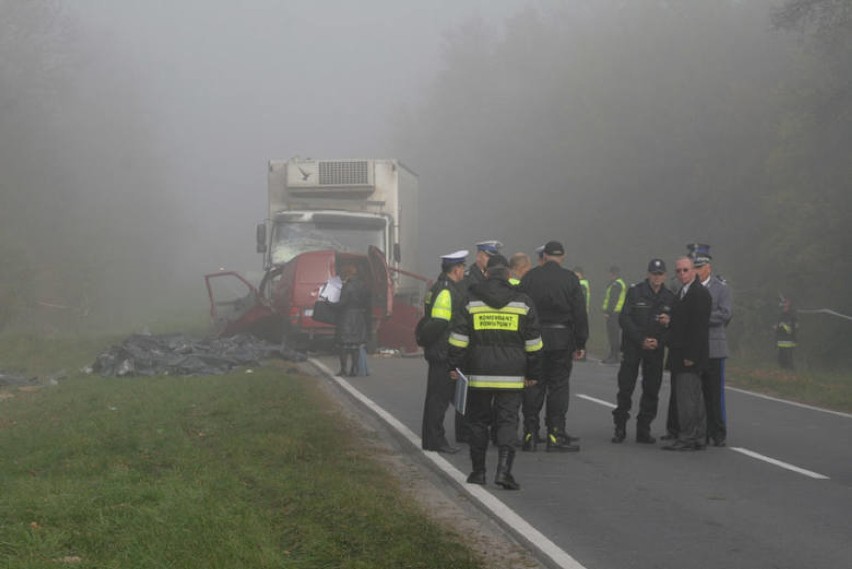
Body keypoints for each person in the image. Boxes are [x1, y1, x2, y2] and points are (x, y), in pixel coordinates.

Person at [448, 254, 543, 489]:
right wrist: (533, 374)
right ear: (508, 274)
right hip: (512, 376)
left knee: (478, 423)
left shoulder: (470, 300)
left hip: (478, 374)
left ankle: (478, 472)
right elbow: (534, 344)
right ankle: (503, 472)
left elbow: (458, 339)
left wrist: (455, 367)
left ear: (487, 273)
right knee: (508, 422)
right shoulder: (523, 302)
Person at [519, 240, 588, 452]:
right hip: (561, 337)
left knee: (534, 384)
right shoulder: (570, 279)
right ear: (562, 256)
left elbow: (520, 308)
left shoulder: (530, 277)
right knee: (558, 387)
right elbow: (579, 312)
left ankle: (530, 433)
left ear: (544, 256)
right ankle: (555, 434)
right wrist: (581, 342)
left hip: (535, 337)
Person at [611, 259, 676, 444]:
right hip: (634, 346)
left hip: (655, 349)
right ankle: (620, 427)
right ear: (648, 274)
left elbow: (672, 326)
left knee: (652, 389)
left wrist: (659, 341)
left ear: (664, 275)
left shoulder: (669, 297)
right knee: (625, 388)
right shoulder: (635, 291)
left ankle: (644, 429)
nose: (657, 277)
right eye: (654, 274)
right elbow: (624, 319)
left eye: (660, 274)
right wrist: (641, 340)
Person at [419, 250, 469, 454]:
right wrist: (429, 341)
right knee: (439, 399)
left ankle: (431, 439)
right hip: (443, 351)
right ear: (456, 269)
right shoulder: (447, 291)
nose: (464, 272)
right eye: (463, 268)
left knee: (435, 397)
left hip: (437, 349)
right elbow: (439, 322)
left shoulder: (437, 287)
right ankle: (435, 440)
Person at [662, 256, 712, 452]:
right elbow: (682, 321)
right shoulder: (682, 292)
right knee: (694, 397)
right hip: (680, 351)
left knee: (687, 398)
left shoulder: (699, 294)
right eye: (678, 271)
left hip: (690, 354)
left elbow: (698, 328)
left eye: (685, 270)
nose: (682, 274)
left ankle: (687, 437)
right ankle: (698, 436)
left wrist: (691, 355)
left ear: (694, 271)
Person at [689, 243, 732, 447]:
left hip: (714, 347)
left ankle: (718, 431)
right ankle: (700, 430)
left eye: (699, 267)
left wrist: (701, 317)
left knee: (715, 393)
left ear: (708, 267)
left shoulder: (720, 288)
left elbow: (725, 314)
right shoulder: (690, 288)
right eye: (694, 266)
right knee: (696, 391)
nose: (696, 270)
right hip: (696, 347)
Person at [335, 264, 370, 376]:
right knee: (355, 345)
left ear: (347, 274)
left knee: (343, 345)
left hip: (347, 317)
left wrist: (330, 304)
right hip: (359, 317)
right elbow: (367, 301)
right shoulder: (363, 286)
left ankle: (343, 369)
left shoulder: (347, 286)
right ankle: (354, 369)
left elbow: (342, 303)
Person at [601, 266, 627, 364]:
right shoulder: (616, 284)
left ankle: (614, 356)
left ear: (613, 274)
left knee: (613, 335)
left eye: (610, 274)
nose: (609, 276)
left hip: (614, 314)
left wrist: (608, 312)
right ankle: (613, 354)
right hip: (615, 313)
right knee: (613, 335)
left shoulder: (616, 284)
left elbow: (613, 299)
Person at [573, 266, 591, 362]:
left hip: (581, 313)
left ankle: (582, 354)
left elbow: (581, 300)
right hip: (580, 312)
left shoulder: (582, 284)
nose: (576, 277)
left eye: (577, 275)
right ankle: (578, 353)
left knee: (580, 333)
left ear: (581, 274)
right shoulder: (582, 284)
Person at [776, 297, 797, 370]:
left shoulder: (792, 316)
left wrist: (783, 326)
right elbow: (779, 326)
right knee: (780, 360)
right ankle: (783, 372)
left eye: (785, 304)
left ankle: (791, 373)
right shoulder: (781, 315)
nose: (783, 307)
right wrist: (777, 327)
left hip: (788, 341)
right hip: (781, 341)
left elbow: (791, 329)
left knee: (789, 359)